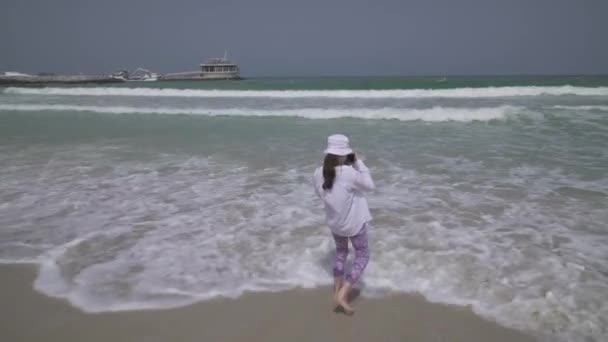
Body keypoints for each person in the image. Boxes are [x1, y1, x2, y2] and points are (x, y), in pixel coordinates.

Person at [313, 134, 375, 314]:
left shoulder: (318, 172)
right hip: (354, 224)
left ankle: (337, 290)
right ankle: (343, 293)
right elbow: (370, 186)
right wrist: (359, 163)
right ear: (344, 153)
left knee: (341, 252)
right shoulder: (349, 173)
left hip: (335, 224)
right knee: (362, 256)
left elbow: (321, 194)